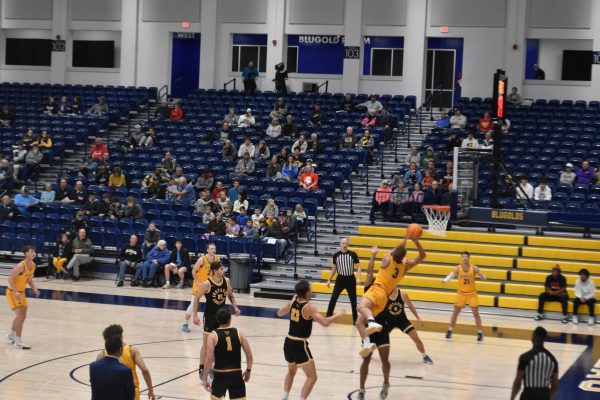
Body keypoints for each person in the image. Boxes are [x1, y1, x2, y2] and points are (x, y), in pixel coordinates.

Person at [356, 235, 426, 358]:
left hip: (376, 289)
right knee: (358, 322)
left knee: (361, 307)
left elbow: (393, 251)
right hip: (384, 298)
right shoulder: (405, 268)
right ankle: (367, 344)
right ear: (403, 257)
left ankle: (372, 323)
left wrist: (403, 242)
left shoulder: (387, 258)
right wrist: (415, 241)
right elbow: (422, 256)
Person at [278, 280, 345, 400]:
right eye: (311, 289)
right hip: (299, 344)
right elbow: (325, 323)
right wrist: (338, 315)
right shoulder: (309, 307)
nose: (312, 290)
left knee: (291, 371)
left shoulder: (293, 300)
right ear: (307, 292)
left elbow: (279, 312)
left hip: (288, 342)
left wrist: (290, 305)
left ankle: (284, 397)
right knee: (312, 377)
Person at [192, 262, 241, 380]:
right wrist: (195, 315)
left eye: (223, 268)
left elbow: (231, 295)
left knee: (220, 344)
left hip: (222, 316)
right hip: (210, 317)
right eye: (221, 268)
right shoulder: (206, 284)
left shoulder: (226, 281)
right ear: (214, 270)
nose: (223, 270)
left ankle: (214, 368)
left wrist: (235, 307)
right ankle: (202, 367)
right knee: (206, 344)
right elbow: (197, 298)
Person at [202, 307, 253, 399]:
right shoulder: (239, 333)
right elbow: (249, 356)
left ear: (217, 320)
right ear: (230, 319)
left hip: (220, 376)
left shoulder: (213, 336)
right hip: (236, 375)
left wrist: (205, 379)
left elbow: (209, 359)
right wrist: (248, 370)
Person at [96, 324, 155, 400]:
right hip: (132, 391)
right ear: (121, 336)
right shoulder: (132, 350)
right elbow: (144, 370)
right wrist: (150, 390)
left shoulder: (102, 354)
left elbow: (97, 378)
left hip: (112, 392)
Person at [441, 251, 487, 341]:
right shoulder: (458, 268)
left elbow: (481, 274)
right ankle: (449, 330)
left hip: (471, 294)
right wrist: (445, 280)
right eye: (463, 257)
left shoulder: (474, 268)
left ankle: (480, 333)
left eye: (466, 257)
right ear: (461, 258)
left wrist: (483, 276)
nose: (465, 258)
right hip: (461, 293)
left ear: (469, 258)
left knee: (476, 313)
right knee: (455, 312)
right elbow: (451, 275)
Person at [510, 327, 558, 400]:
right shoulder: (553, 360)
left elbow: (517, 383)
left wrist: (512, 398)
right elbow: (554, 385)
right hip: (545, 396)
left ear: (533, 338)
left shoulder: (525, 357)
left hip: (528, 396)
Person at [6, 245, 39, 350]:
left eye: (34, 251)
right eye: (32, 251)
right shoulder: (21, 265)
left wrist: (34, 288)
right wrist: (15, 292)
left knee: (22, 316)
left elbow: (28, 279)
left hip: (22, 293)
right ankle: (18, 341)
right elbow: (10, 278)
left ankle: (11, 334)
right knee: (21, 314)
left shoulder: (33, 265)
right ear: (26, 253)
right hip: (12, 292)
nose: (34, 253)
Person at [182, 243, 219, 333]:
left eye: (214, 249)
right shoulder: (202, 259)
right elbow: (193, 271)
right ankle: (185, 324)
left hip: (209, 285)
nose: (213, 250)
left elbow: (217, 271)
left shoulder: (217, 259)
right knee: (193, 305)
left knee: (214, 304)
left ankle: (214, 324)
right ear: (207, 250)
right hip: (199, 284)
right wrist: (198, 282)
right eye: (211, 249)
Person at [325, 238, 361, 323]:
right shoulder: (336, 255)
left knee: (353, 301)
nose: (344, 245)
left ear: (348, 244)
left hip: (350, 279)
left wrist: (359, 277)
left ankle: (355, 321)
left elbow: (358, 266)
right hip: (340, 279)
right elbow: (334, 268)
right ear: (340, 244)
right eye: (343, 243)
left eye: (346, 243)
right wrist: (329, 280)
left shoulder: (353, 254)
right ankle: (328, 318)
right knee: (333, 298)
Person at [89, 335, 135, 400]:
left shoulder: (93, 366)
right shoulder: (125, 371)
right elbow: (131, 396)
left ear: (106, 348)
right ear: (121, 349)